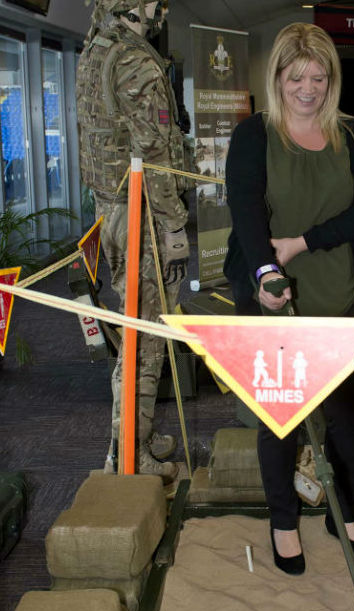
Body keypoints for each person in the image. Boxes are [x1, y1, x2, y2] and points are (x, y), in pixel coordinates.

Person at [224, 23, 354, 575]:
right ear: (278, 78)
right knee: (282, 416)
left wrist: (303, 242)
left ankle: (346, 510)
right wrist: (269, 270)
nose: (308, 89)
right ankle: (283, 521)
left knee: (346, 416)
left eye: (319, 77)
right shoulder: (254, 135)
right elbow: (244, 211)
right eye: (297, 78)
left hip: (335, 290)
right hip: (272, 292)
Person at [76, 0, 190, 485]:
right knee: (144, 340)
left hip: (112, 209)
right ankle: (131, 455)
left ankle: (132, 437)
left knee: (132, 333)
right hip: (140, 213)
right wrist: (174, 225)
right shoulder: (135, 61)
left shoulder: (95, 50)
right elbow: (156, 151)